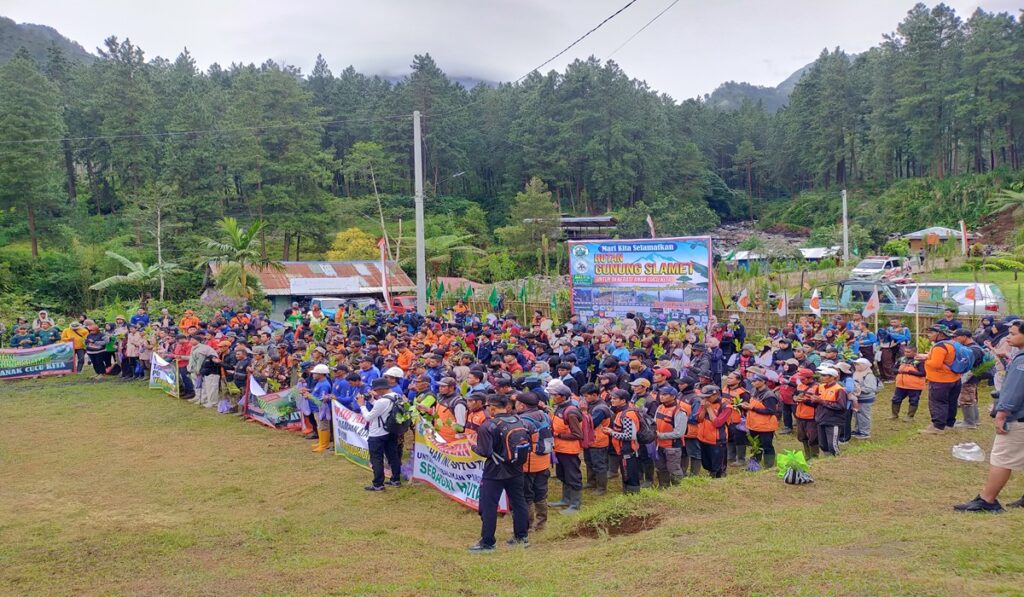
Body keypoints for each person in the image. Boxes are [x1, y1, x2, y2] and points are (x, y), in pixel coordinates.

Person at [954, 319, 1024, 513]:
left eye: (1013, 333)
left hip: (1018, 418)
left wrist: (1002, 413)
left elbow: (1015, 390)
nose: (1008, 337)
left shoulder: (1022, 361)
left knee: (1002, 458)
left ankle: (987, 500)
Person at [469, 394, 530, 551]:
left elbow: (485, 451)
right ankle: (522, 537)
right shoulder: (519, 421)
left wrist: (472, 445)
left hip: (494, 472)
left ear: (493, 408)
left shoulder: (488, 426)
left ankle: (488, 542)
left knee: (489, 506)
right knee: (519, 503)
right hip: (516, 469)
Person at [515, 391, 552, 531]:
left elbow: (519, 442)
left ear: (522, 405)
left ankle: (527, 525)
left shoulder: (523, 421)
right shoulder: (545, 416)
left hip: (528, 463)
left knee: (527, 495)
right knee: (541, 493)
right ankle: (542, 523)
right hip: (544, 459)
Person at [358, 378, 402, 492]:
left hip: (377, 433)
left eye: (376, 390)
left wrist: (362, 405)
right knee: (393, 456)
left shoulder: (383, 401)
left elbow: (368, 417)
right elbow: (383, 409)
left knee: (376, 459)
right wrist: (373, 401)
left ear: (381, 389)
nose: (375, 391)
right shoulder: (396, 396)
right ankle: (395, 479)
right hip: (391, 430)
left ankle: (378, 484)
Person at [547, 384, 584, 514]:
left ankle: (575, 504)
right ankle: (566, 499)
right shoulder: (560, 408)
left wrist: (558, 435)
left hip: (569, 450)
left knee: (573, 476)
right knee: (562, 475)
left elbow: (578, 434)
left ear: (563, 397)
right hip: (560, 449)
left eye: (555, 395)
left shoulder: (571, 412)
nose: (553, 397)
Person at [921, 325, 961, 435]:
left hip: (941, 380)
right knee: (951, 402)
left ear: (940, 334)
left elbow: (936, 364)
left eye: (931, 332)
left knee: (938, 402)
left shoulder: (939, 346)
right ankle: (949, 424)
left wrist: (926, 361)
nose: (928, 335)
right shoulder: (953, 343)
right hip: (955, 378)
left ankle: (938, 427)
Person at [605, 389, 641, 492]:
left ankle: (632, 496)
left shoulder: (627, 415)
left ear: (623, 400)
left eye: (615, 398)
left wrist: (612, 433)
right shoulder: (621, 412)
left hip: (628, 449)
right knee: (625, 473)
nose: (612, 400)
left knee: (629, 475)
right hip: (622, 448)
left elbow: (630, 436)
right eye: (612, 398)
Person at [741, 373, 779, 468]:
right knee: (755, 445)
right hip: (754, 424)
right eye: (752, 381)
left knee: (767, 446)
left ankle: (768, 465)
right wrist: (746, 406)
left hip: (766, 426)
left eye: (755, 381)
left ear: (763, 382)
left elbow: (771, 411)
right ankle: (755, 465)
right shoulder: (754, 391)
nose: (753, 383)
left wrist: (752, 408)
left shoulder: (769, 395)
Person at [580, 383, 612, 495]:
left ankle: (601, 488)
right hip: (589, 439)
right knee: (589, 461)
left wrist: (583, 412)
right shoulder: (591, 404)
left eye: (586, 396)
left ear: (594, 395)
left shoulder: (601, 408)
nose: (585, 398)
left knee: (599, 464)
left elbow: (590, 424)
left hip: (598, 440)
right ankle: (591, 482)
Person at [694, 384, 731, 477]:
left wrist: (709, 409)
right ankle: (711, 475)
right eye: (703, 397)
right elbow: (699, 419)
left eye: (707, 397)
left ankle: (718, 478)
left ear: (715, 395)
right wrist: (703, 409)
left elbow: (717, 423)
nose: (705, 399)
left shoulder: (726, 406)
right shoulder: (704, 403)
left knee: (718, 466)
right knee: (706, 463)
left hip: (717, 440)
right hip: (703, 438)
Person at [653, 386, 686, 486]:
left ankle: (678, 488)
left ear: (673, 396)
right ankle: (664, 486)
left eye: (665, 395)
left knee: (674, 469)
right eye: (661, 394)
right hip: (658, 445)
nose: (661, 397)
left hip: (672, 447)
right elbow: (654, 423)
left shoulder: (679, 412)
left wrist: (660, 435)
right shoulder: (660, 407)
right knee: (660, 467)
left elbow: (679, 433)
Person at [811, 367, 849, 456]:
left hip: (833, 420)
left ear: (833, 377)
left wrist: (821, 401)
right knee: (823, 444)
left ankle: (837, 460)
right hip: (821, 418)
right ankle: (828, 461)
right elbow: (816, 402)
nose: (821, 377)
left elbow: (841, 406)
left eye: (824, 375)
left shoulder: (839, 390)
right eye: (821, 375)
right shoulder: (819, 387)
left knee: (832, 445)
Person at [954, 329, 986, 430]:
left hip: (969, 376)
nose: (955, 339)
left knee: (966, 398)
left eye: (957, 336)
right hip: (971, 376)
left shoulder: (973, 349)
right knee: (971, 398)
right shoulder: (972, 347)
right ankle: (975, 420)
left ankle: (969, 422)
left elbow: (969, 363)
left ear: (964, 336)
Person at [892, 345, 925, 421]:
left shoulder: (919, 361)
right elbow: (893, 369)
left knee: (913, 400)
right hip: (900, 385)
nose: (906, 353)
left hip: (915, 386)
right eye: (905, 352)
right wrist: (898, 371)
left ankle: (910, 416)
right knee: (895, 399)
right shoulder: (901, 359)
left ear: (915, 352)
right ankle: (894, 415)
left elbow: (923, 373)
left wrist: (910, 372)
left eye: (908, 352)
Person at [850, 358, 879, 439]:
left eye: (858, 364)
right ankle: (858, 430)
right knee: (857, 415)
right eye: (855, 364)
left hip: (866, 398)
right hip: (857, 398)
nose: (856, 366)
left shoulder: (869, 375)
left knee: (864, 415)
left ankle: (865, 432)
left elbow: (871, 388)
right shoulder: (856, 373)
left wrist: (859, 389)